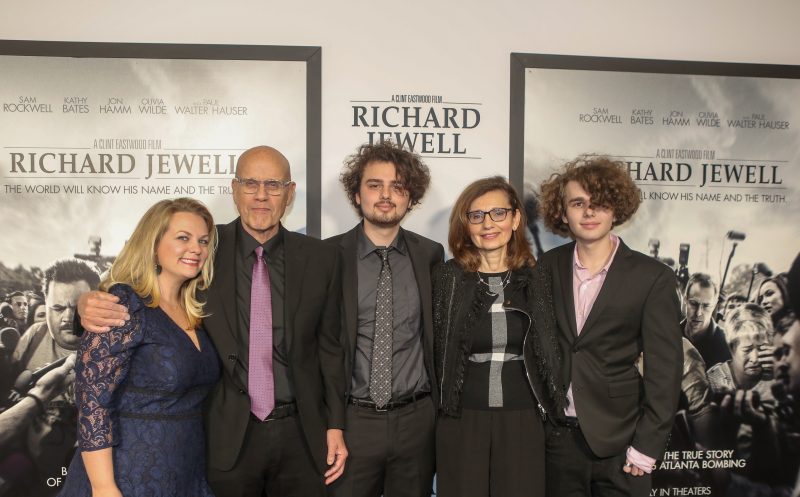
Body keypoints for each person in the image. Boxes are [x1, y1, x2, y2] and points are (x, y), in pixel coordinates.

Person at [78, 146, 347, 497]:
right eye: (250, 184)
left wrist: (336, 425)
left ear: (290, 193)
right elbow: (135, 290)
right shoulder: (204, 248)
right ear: (234, 189)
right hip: (222, 439)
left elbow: (330, 348)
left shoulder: (321, 257)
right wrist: (84, 304)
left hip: (302, 435)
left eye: (273, 185)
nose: (261, 195)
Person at [537, 155, 683, 497]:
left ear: (616, 209)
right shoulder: (546, 266)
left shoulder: (652, 277)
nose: (589, 212)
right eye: (578, 203)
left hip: (623, 443)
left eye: (599, 202)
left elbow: (665, 371)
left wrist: (646, 447)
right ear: (563, 213)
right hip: (558, 442)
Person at [57, 198, 219, 496]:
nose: (196, 248)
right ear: (153, 244)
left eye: (203, 241)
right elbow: (93, 402)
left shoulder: (194, 309)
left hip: (185, 472)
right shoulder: (124, 303)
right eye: (183, 238)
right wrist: (104, 487)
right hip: (128, 475)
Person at [432, 176, 563, 497]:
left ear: (516, 219)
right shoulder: (447, 278)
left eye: (498, 213)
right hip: (461, 420)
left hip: (524, 419)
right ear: (465, 224)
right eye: (476, 215)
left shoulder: (538, 278)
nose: (488, 223)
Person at [326, 142, 443, 497]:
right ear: (357, 194)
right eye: (375, 185)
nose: (386, 195)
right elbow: (320, 345)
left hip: (416, 422)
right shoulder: (328, 256)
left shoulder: (430, 255)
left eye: (398, 186)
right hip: (352, 422)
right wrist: (332, 423)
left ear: (411, 197)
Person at [8, 259, 100, 496]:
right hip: (28, 476)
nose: (68, 317)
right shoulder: (33, 337)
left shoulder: (116, 349)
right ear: (46, 304)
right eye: (58, 308)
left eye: (78, 307)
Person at [681, 273, 731, 370]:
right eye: (694, 304)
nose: (698, 313)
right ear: (685, 300)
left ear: (715, 304)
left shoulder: (726, 346)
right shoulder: (670, 334)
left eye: (706, 306)